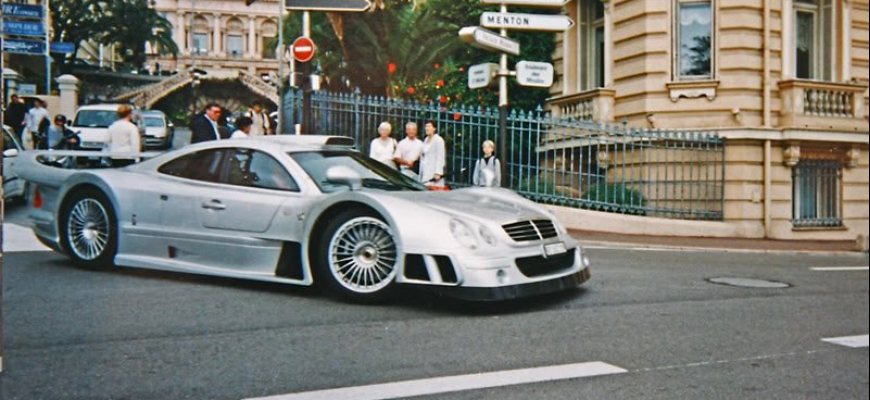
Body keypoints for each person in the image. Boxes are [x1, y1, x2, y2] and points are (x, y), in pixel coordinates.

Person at [418, 121, 446, 187]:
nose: (426, 128)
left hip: (433, 170)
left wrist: (438, 172)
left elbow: (441, 157)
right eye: (426, 126)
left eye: (429, 126)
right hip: (425, 170)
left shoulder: (439, 140)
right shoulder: (426, 139)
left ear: (434, 128)